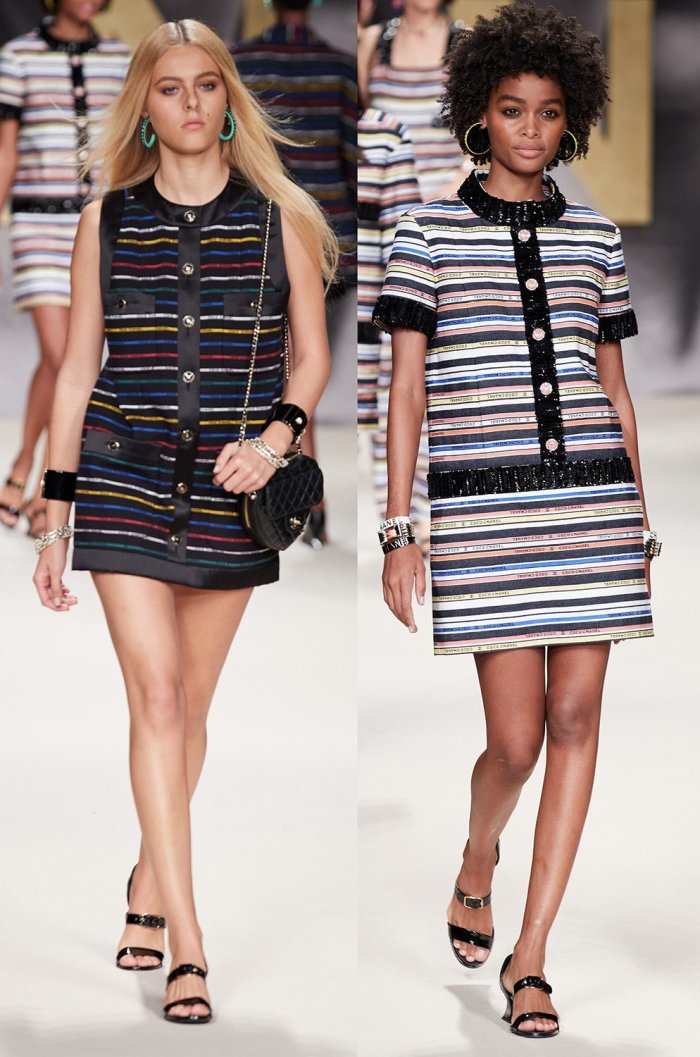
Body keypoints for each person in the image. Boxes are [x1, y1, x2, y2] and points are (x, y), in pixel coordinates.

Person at [32, 17, 335, 1024]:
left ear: (228, 101)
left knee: (189, 708)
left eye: (208, 85)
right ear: (145, 108)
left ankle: (144, 877)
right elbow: (75, 370)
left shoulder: (281, 218)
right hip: (122, 474)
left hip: (228, 492)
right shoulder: (106, 219)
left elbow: (310, 357)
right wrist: (57, 513)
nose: (192, 102)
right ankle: (188, 944)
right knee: (157, 698)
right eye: (170, 88)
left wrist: (278, 440)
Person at [374, 1, 658, 1039]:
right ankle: (477, 852)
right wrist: (400, 528)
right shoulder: (424, 233)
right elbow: (406, 390)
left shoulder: (594, 236)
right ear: (477, 114)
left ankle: (530, 955)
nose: (529, 129)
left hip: (591, 504)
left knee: (577, 720)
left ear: (569, 117)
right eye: (509, 109)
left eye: (546, 111)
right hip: (485, 514)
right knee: (515, 739)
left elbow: (613, 387)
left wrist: (638, 519)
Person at [0, 0, 130, 534]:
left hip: (97, 226)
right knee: (62, 355)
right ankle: (39, 484)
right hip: (35, 223)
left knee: (66, 360)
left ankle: (25, 467)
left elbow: (126, 145)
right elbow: (6, 150)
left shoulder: (120, 58)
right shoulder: (17, 57)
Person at [234, 0, 357, 547]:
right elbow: (353, 158)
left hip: (262, 229)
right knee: (302, 357)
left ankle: (303, 495)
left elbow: (235, 154)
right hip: (329, 234)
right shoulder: (340, 68)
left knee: (289, 360)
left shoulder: (242, 62)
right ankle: (308, 496)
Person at [357, 107, 428, 535]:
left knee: (395, 413)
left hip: (378, 320)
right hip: (328, 309)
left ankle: (405, 531)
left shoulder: (385, 135)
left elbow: (401, 254)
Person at [358, 0, 466, 202]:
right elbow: (361, 116)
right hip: (385, 198)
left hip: (449, 198)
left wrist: (464, 176)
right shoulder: (373, 40)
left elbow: (486, 122)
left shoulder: (465, 41)